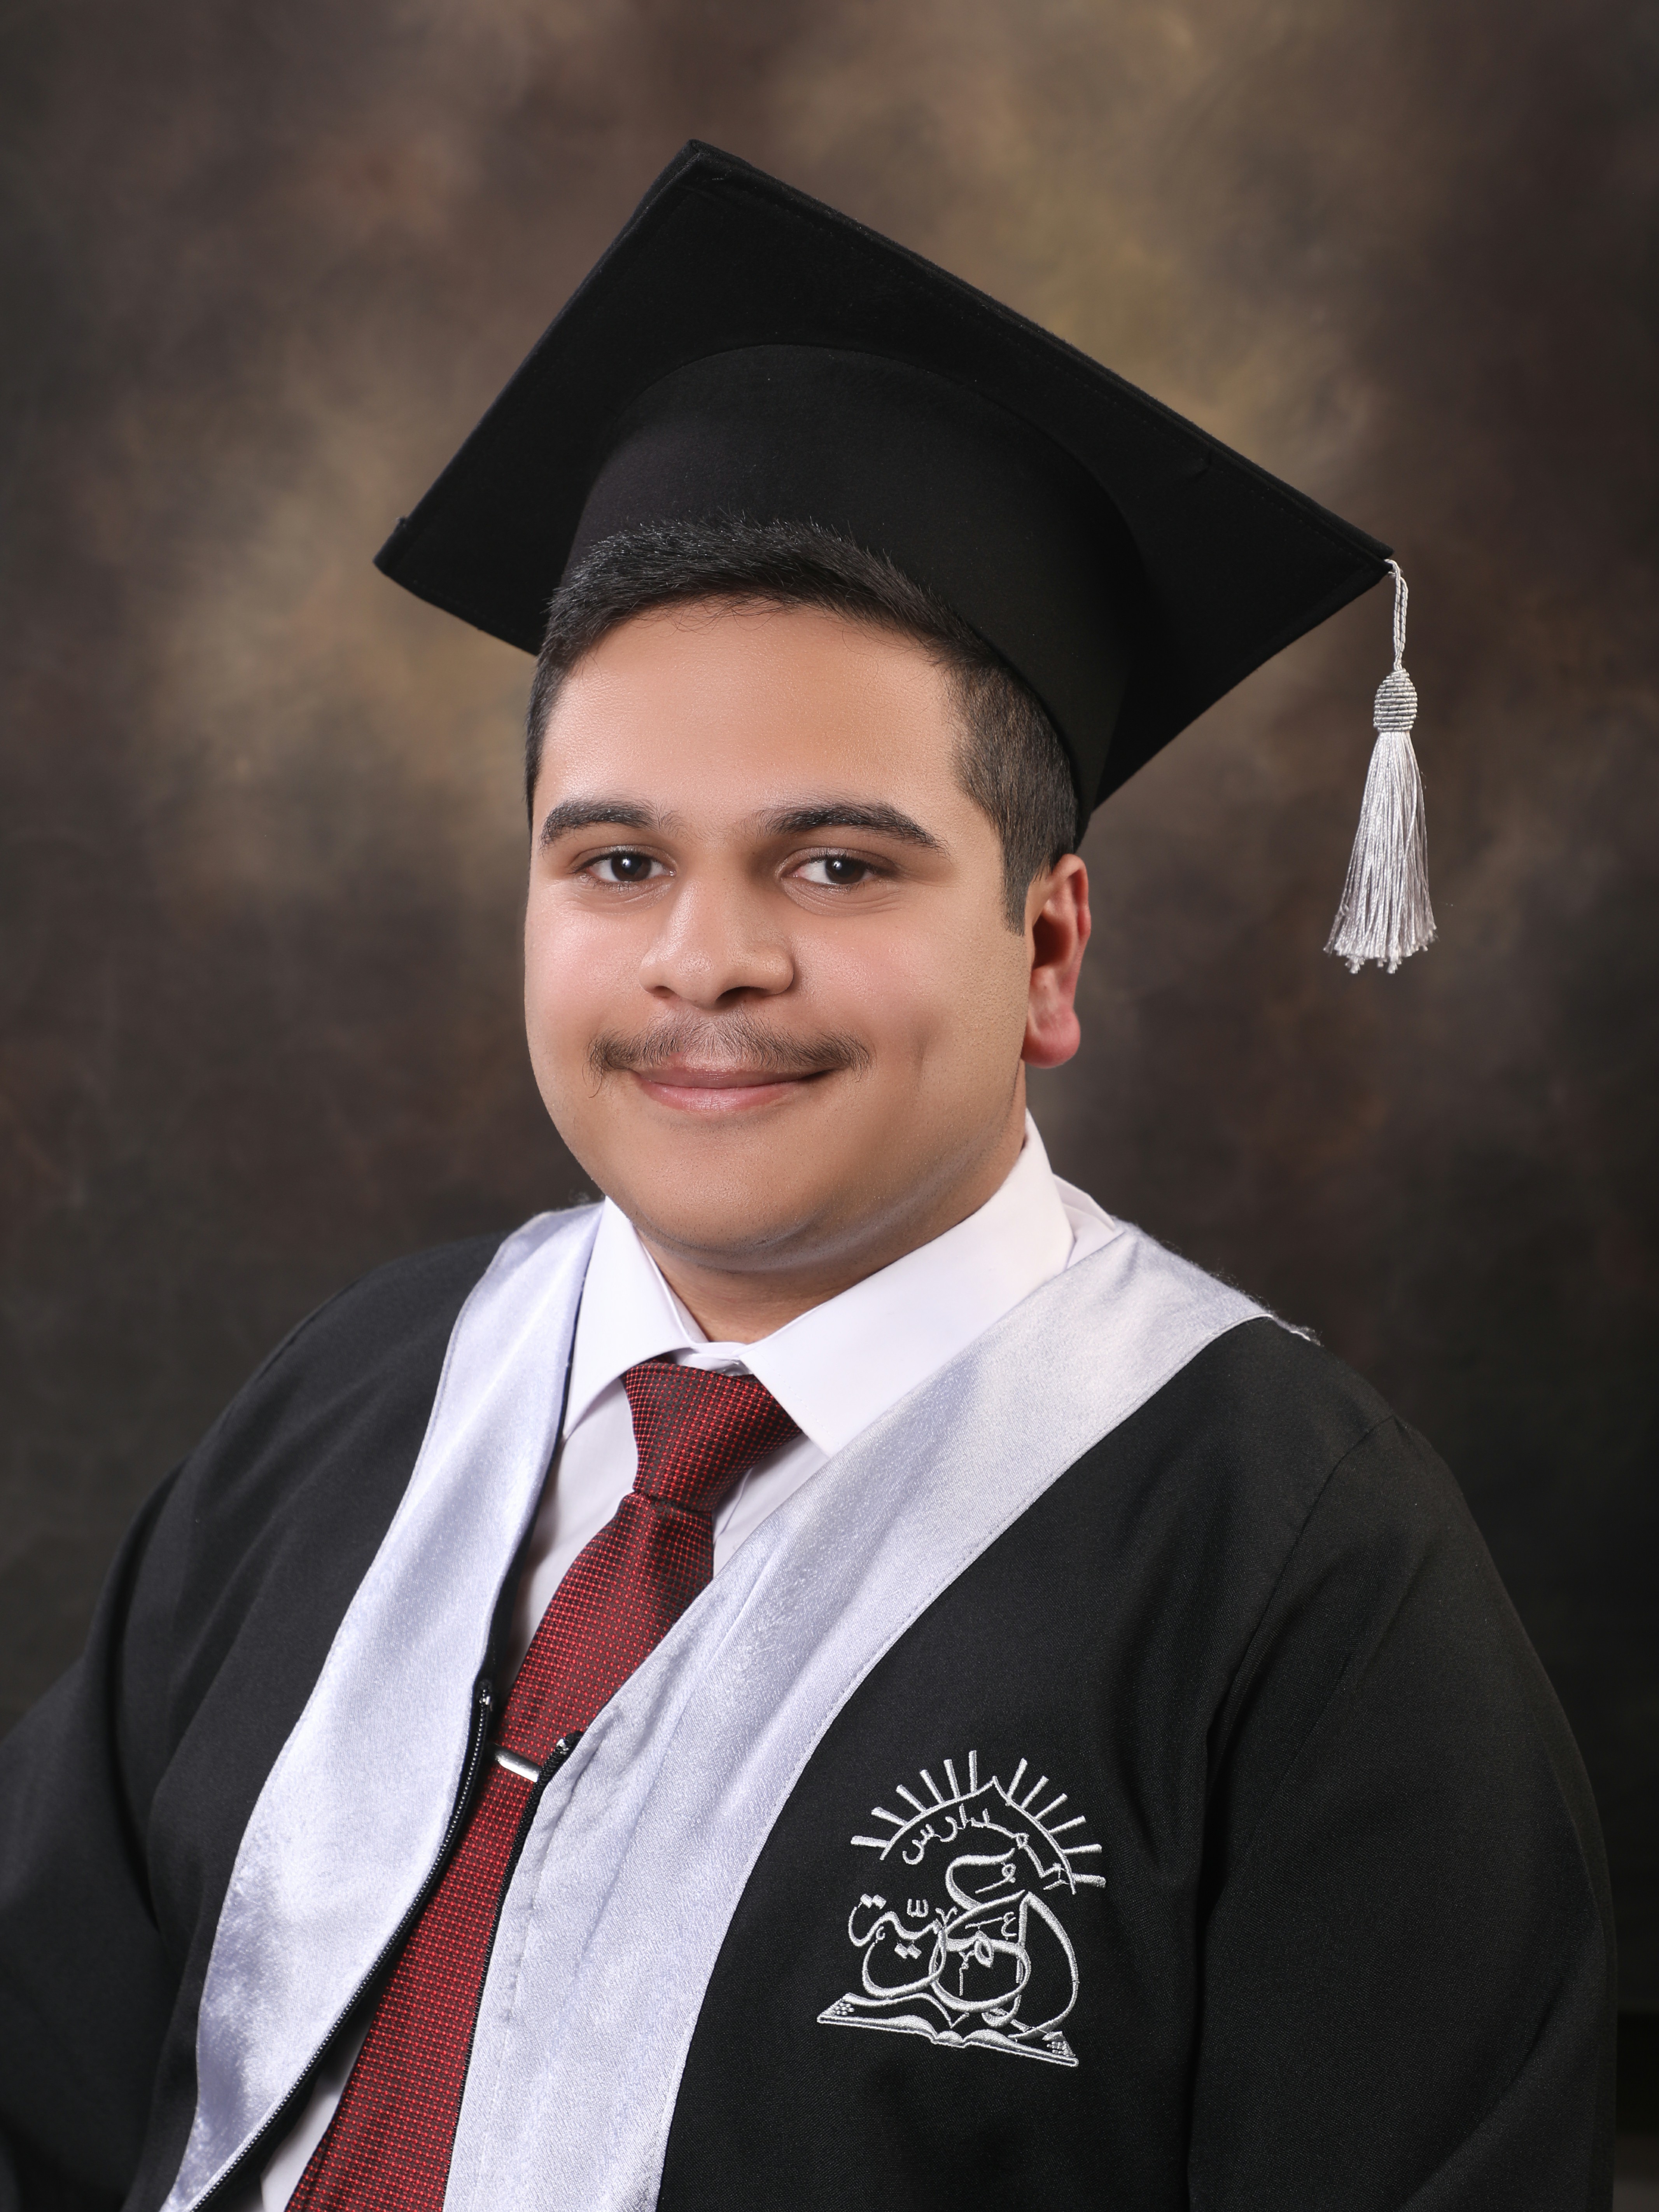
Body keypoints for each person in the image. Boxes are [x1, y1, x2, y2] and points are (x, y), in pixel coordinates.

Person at [0, 143, 1613, 2212]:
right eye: (618, 861)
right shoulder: (355, 1401)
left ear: (1048, 950)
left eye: (837, 865)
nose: (706, 962)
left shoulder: (1299, 1572)